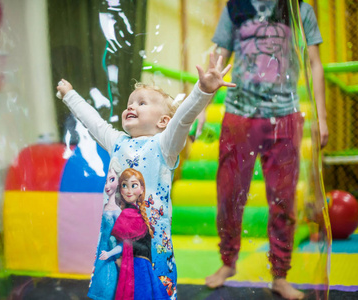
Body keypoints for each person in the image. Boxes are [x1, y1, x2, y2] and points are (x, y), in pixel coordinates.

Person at [57, 54, 235, 299]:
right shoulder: (117, 141)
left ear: (163, 121)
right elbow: (93, 122)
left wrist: (202, 91)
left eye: (141, 103)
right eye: (130, 103)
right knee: (116, 286)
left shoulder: (165, 146)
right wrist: (70, 95)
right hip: (117, 238)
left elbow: (183, 119)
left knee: (149, 288)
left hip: (150, 245)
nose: (131, 107)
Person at [203, 1, 329, 299]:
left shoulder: (298, 8)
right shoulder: (236, 7)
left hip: (284, 114)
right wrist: (201, 106)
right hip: (239, 113)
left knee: (283, 199)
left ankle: (280, 274)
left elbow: (315, 62)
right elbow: (219, 57)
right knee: (229, 193)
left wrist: (322, 116)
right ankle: (228, 261)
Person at [99, 168, 170, 300]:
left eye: (134, 185)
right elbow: (119, 240)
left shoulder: (137, 213)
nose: (129, 190)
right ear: (120, 189)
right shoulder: (127, 214)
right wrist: (115, 256)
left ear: (142, 188)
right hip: (135, 264)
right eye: (125, 186)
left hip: (140, 264)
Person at [87, 158, 122, 300]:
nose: (107, 185)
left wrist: (110, 254)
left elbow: (123, 243)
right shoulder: (103, 206)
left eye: (111, 180)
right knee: (97, 291)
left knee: (107, 290)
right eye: (105, 181)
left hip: (109, 260)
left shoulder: (117, 211)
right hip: (99, 258)